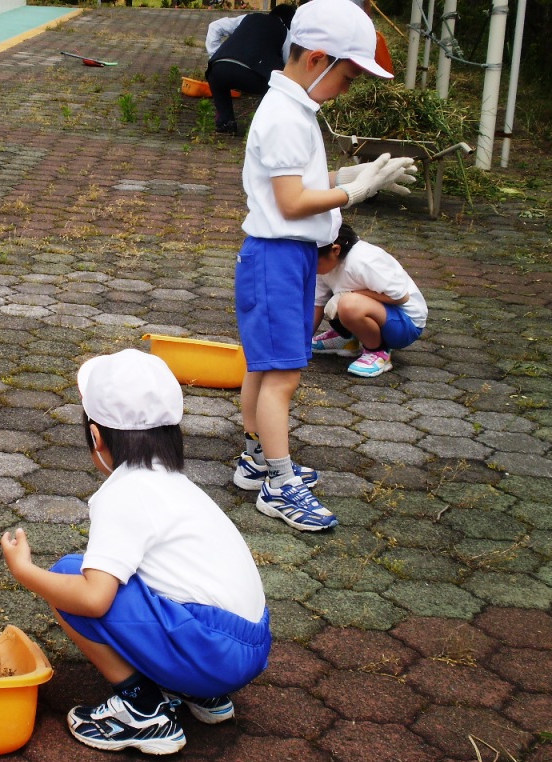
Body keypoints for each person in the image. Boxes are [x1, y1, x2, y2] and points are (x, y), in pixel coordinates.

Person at [0, 349, 271, 756]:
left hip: (215, 654)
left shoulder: (126, 492)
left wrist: (25, 571)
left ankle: (142, 710)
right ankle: (198, 692)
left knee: (69, 576)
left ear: (96, 437)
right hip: (248, 645)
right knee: (130, 577)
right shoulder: (175, 482)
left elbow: (93, 599)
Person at [232, 0, 417, 531]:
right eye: (348, 76)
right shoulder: (285, 116)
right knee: (282, 376)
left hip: (283, 257)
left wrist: (345, 176)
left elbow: (296, 183)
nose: (347, 88)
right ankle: (278, 484)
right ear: (317, 59)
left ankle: (256, 460)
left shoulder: (293, 108)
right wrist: (355, 191)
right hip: (277, 257)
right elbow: (292, 202)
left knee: (266, 367)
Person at [311, 222, 427, 377]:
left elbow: (400, 296)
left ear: (336, 250)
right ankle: (347, 338)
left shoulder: (363, 261)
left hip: (404, 324)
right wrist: (301, 343)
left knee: (348, 304)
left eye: (314, 262)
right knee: (338, 299)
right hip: (377, 312)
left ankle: (377, 351)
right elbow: (317, 304)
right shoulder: (323, 265)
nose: (310, 267)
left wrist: (348, 294)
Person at [204, 3, 298, 135]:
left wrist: (215, 55)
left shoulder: (248, 17)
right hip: (253, 77)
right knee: (276, 85)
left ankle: (226, 122)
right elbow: (288, 63)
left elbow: (215, 26)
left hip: (220, 69)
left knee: (218, 80)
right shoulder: (285, 32)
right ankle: (262, 124)